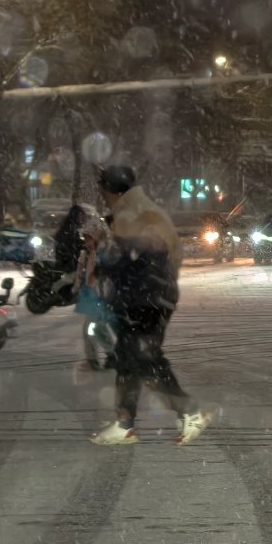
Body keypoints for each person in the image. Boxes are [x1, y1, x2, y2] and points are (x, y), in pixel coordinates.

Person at [90, 164, 210, 446]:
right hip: (151, 295)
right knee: (131, 357)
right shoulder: (140, 209)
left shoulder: (131, 215)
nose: (102, 195)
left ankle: (187, 412)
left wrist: (105, 260)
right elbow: (169, 256)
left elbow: (134, 257)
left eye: (103, 189)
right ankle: (125, 422)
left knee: (143, 358)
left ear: (110, 189)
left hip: (144, 298)